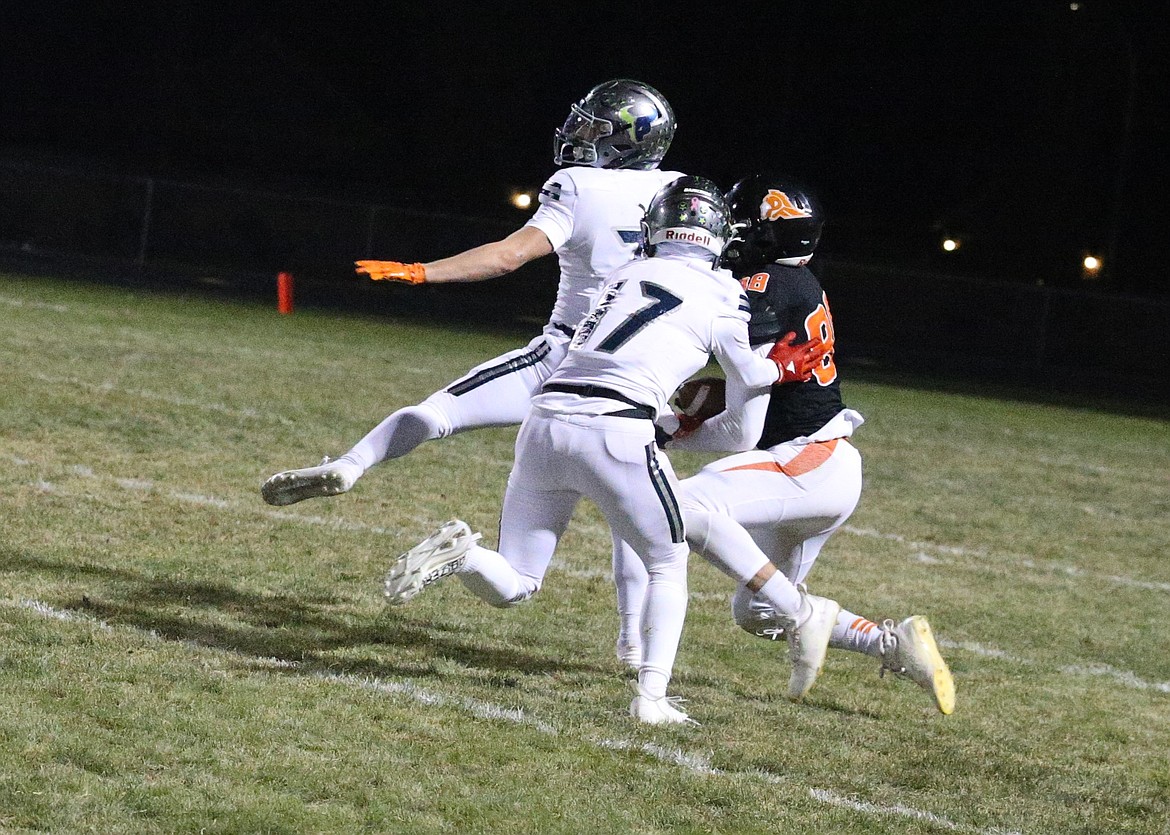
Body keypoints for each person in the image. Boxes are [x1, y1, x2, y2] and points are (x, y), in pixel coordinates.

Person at [378, 176, 833, 725]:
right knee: (668, 560)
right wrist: (787, 364)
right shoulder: (723, 293)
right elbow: (747, 391)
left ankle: (465, 555)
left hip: (545, 422)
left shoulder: (624, 273)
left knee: (518, 580)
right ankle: (652, 697)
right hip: (617, 430)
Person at [612, 173, 955, 714]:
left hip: (806, 463)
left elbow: (744, 421)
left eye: (743, 221)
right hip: (817, 467)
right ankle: (892, 642)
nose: (732, 230)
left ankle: (800, 613)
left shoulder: (766, 285)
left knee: (680, 505)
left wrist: (684, 423)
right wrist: (712, 404)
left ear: (772, 233)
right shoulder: (799, 283)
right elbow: (760, 392)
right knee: (755, 612)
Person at [261, 79, 686, 506]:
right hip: (646, 375)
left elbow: (508, 256)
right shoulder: (684, 194)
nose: (579, 134)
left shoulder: (580, 185)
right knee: (651, 542)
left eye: (595, 129)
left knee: (438, 411)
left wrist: (421, 272)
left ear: (629, 139)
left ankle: (351, 464)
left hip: (565, 359)